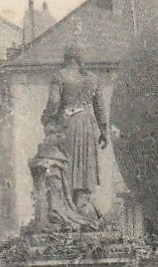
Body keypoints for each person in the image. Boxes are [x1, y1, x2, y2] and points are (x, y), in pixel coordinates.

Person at [41, 45, 109, 219]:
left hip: (67, 125)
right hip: (88, 125)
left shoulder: (60, 75)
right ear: (80, 58)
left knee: (66, 164)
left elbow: (54, 102)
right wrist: (104, 131)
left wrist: (46, 117)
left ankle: (68, 206)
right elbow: (100, 108)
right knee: (85, 165)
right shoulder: (93, 78)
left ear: (67, 57)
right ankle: (83, 203)